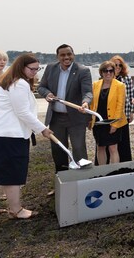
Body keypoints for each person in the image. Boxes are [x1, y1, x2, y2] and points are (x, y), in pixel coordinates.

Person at [0, 53, 53, 219]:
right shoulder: (19, 84)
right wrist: (42, 129)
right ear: (22, 67)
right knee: (12, 172)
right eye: (32, 69)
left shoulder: (8, 80)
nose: (35, 72)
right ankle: (16, 210)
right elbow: (22, 112)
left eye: (38, 69)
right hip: (7, 135)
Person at [38, 44, 93, 179]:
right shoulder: (51, 68)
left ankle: (81, 180)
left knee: (79, 149)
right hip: (56, 118)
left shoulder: (82, 70)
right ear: (58, 57)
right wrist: (47, 94)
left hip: (76, 118)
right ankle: (62, 180)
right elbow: (41, 87)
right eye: (63, 55)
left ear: (73, 55)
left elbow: (88, 92)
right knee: (58, 150)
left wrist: (86, 102)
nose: (66, 57)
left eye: (69, 54)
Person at [90, 61, 128, 165]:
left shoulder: (120, 86)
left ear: (114, 72)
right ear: (101, 72)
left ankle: (114, 172)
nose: (108, 73)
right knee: (100, 147)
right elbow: (92, 103)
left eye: (111, 71)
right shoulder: (95, 85)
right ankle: (102, 171)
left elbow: (120, 106)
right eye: (105, 71)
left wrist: (114, 124)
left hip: (113, 121)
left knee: (113, 148)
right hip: (98, 122)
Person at [110, 55, 134, 162]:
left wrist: (131, 112)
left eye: (120, 65)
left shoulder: (127, 79)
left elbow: (130, 97)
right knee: (110, 143)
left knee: (124, 142)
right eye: (115, 65)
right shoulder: (105, 78)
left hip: (123, 115)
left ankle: (125, 164)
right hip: (109, 116)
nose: (118, 67)